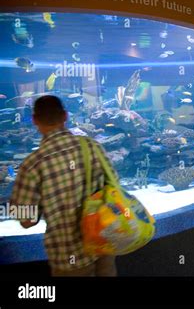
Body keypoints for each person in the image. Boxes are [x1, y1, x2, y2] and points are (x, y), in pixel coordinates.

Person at [10, 95, 118, 276]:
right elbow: (114, 184)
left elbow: (27, 221)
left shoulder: (32, 165)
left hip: (69, 257)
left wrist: (10, 208)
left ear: (35, 120)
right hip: (104, 244)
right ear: (65, 116)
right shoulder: (92, 146)